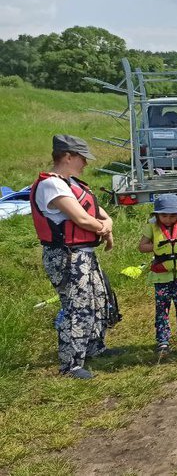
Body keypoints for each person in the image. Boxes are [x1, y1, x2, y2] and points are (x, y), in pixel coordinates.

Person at [29, 135, 116, 379]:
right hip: (66, 256)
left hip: (84, 254)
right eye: (82, 158)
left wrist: (107, 223)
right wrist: (104, 228)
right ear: (68, 156)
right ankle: (71, 364)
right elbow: (82, 218)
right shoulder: (52, 185)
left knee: (97, 300)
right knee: (77, 306)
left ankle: (94, 348)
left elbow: (99, 212)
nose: (85, 163)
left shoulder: (72, 183)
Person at [138, 194, 177, 356]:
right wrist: (158, 246)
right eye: (164, 215)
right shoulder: (152, 226)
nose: (168, 219)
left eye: (172, 216)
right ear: (157, 215)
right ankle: (163, 341)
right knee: (162, 309)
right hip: (161, 276)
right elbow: (142, 246)